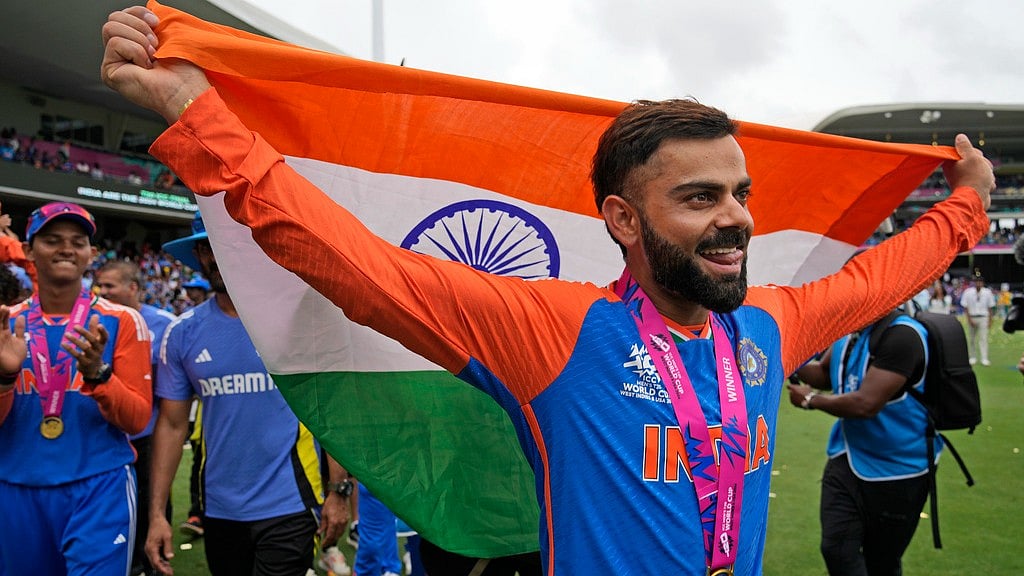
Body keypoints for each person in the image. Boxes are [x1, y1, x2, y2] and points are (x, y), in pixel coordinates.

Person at [100, 8, 995, 573]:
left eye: (739, 194)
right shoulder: (550, 330)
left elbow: (885, 272)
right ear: (622, 219)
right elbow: (359, 265)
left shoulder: (772, 322)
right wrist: (200, 117)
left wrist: (966, 206)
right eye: (698, 198)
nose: (736, 221)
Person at [144, 211, 349, 575]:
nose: (215, 254)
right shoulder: (183, 333)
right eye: (206, 247)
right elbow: (173, 427)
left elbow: (328, 410)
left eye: (225, 241)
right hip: (219, 510)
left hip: (291, 506)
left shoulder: (296, 321)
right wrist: (158, 515)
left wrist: (339, 491)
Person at [0, 201, 152, 574]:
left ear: (92, 254)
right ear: (29, 251)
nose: (66, 248)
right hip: (16, 487)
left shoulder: (122, 321)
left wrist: (98, 374)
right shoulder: (7, 324)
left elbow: (136, 420)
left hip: (99, 488)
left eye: (77, 241)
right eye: (52, 240)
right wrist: (5, 377)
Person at [787, 307, 935, 575]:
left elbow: (866, 403)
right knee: (836, 549)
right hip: (848, 457)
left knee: (883, 562)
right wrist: (782, 357)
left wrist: (811, 400)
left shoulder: (902, 335)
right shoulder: (850, 328)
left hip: (899, 469)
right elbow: (824, 373)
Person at [95, 259, 178, 576]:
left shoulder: (166, 325)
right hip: (109, 435)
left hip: (149, 436)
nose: (104, 292)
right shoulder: (97, 321)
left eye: (110, 286)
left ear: (133, 288)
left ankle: (157, 561)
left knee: (153, 503)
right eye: (100, 286)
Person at [959, 275, 995, 365]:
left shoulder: (987, 292)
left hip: (983, 317)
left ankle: (984, 358)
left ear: (982, 283)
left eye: (980, 282)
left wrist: (990, 320)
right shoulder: (968, 292)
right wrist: (969, 319)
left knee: (983, 338)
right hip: (972, 316)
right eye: (976, 281)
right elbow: (965, 307)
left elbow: (990, 307)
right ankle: (972, 357)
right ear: (974, 283)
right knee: (972, 339)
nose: (978, 283)